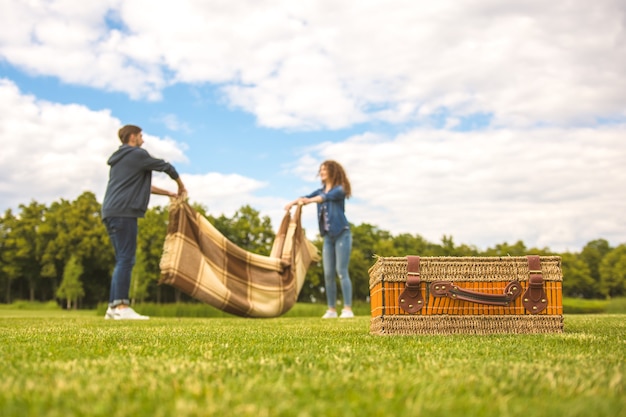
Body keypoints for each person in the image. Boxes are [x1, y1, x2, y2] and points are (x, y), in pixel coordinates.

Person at [101, 125, 186, 320]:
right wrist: (181, 185)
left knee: (121, 259)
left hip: (111, 212)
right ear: (132, 137)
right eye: (140, 136)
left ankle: (113, 309)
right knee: (126, 259)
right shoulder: (136, 154)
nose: (142, 140)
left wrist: (169, 193)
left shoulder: (119, 161)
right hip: (124, 213)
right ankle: (122, 306)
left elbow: (143, 186)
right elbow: (166, 166)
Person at [285, 160, 354, 319]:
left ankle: (348, 309)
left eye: (324, 169)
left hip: (342, 233)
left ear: (333, 171)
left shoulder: (340, 189)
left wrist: (311, 200)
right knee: (328, 273)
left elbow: (324, 197)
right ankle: (331, 310)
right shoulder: (320, 190)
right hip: (328, 237)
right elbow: (307, 197)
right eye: (320, 170)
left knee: (341, 271)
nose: (321, 172)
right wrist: (292, 203)